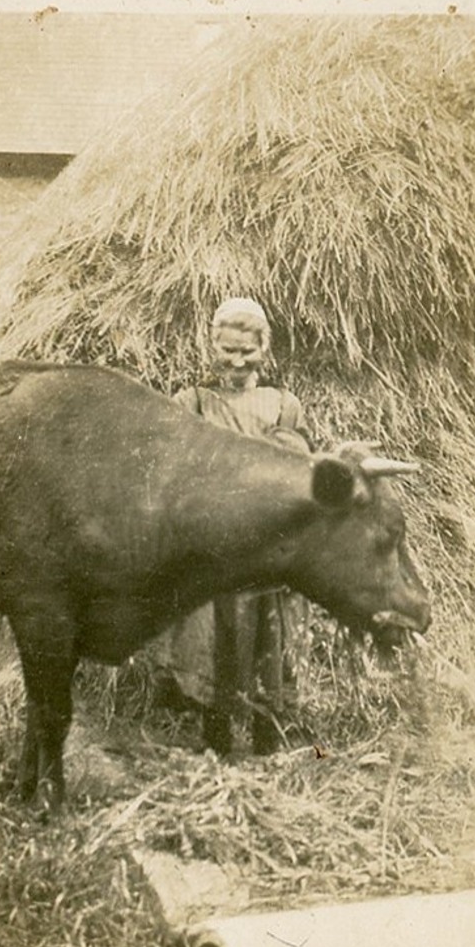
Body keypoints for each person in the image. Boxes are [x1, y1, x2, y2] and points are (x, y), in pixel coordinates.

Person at [163, 297, 312, 755]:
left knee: (268, 634)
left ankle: (267, 737)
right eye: (228, 349)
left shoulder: (283, 405)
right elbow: (174, 468)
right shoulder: (192, 403)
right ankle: (217, 737)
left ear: (263, 350)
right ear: (213, 346)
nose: (237, 360)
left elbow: (297, 470)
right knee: (214, 633)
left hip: (267, 540)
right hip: (213, 540)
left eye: (247, 351)